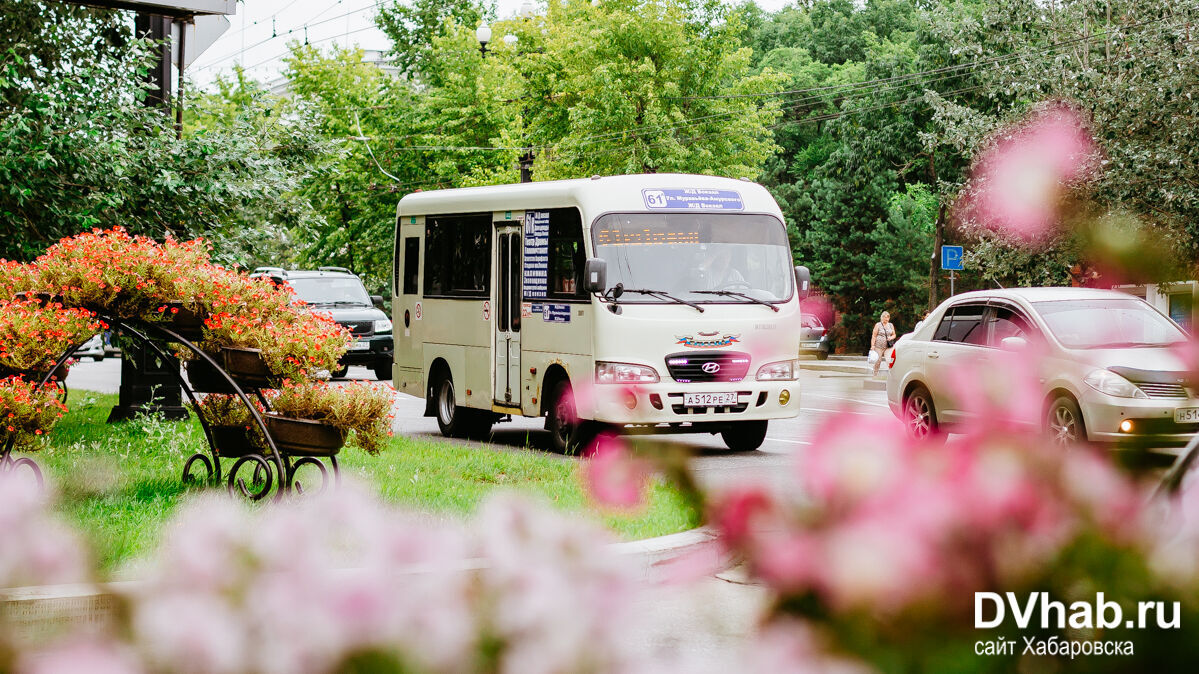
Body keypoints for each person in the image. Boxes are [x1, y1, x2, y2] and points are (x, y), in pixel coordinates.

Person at [870, 311, 896, 375]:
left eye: (887, 318)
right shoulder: (878, 325)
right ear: (882, 318)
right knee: (878, 361)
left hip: (888, 347)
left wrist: (891, 338)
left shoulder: (890, 325)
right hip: (878, 346)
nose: (886, 319)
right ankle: (875, 374)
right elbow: (874, 336)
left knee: (889, 360)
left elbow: (894, 335)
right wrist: (872, 345)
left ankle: (892, 375)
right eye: (885, 318)